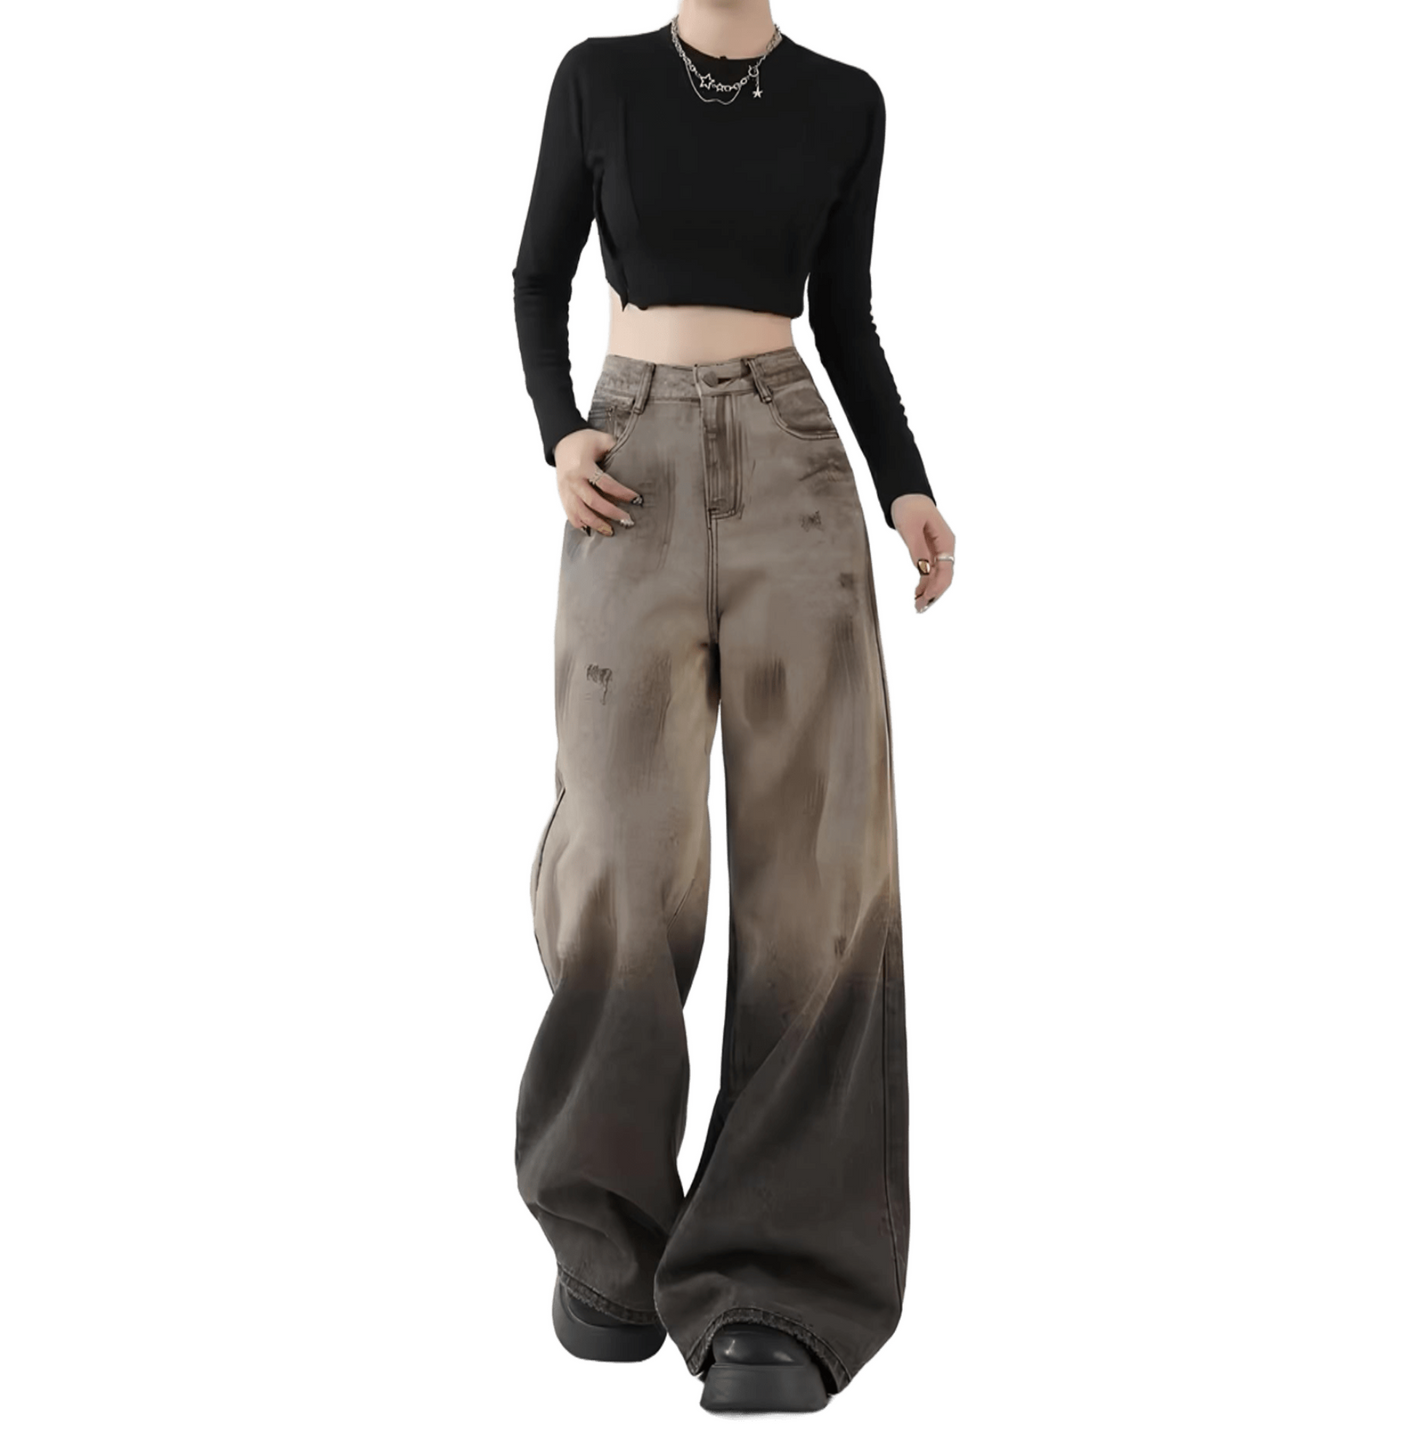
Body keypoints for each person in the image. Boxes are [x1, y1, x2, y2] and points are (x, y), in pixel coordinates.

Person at [511, 1, 956, 1414]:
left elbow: (847, 313)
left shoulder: (846, 100)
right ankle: (609, 1235)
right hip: (624, 465)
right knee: (618, 848)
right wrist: (559, 433)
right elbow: (537, 275)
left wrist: (905, 484)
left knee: (818, 865)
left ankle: (779, 1277)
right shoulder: (598, 79)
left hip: (794, 467)